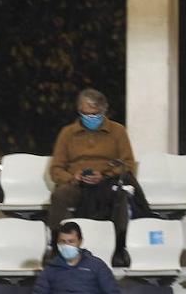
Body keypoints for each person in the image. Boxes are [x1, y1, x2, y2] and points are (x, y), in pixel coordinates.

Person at [48, 88, 148, 264]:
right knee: (59, 196)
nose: (90, 118)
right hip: (76, 183)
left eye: (95, 114)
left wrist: (104, 174)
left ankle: (119, 248)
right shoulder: (68, 133)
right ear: (79, 111)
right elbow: (56, 169)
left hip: (106, 181)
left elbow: (128, 165)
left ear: (103, 111)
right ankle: (58, 247)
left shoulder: (117, 131)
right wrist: (74, 177)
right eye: (85, 114)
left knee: (120, 196)